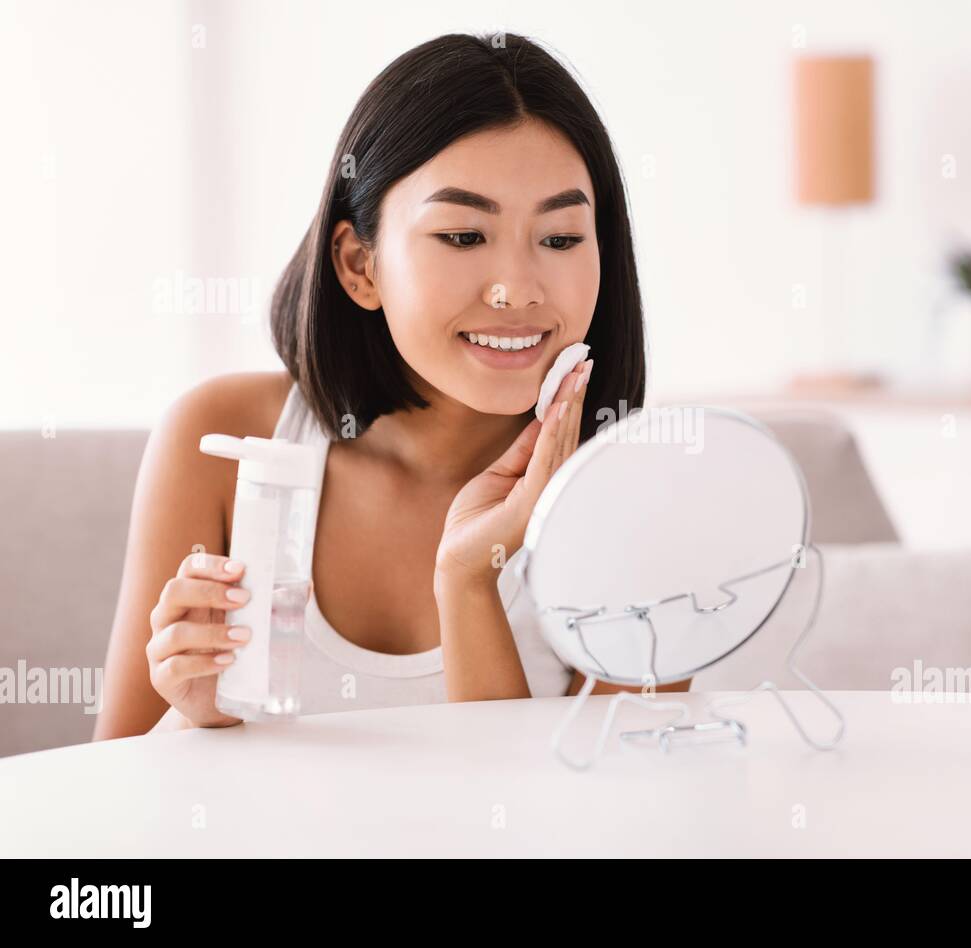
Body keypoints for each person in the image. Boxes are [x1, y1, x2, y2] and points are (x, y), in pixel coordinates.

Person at [93, 32, 689, 739]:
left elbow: (589, 825)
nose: (518, 290)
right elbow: (114, 791)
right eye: (464, 237)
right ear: (359, 267)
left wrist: (470, 582)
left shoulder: (635, 507)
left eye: (560, 239)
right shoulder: (221, 440)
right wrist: (198, 715)